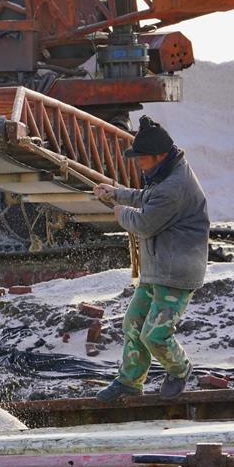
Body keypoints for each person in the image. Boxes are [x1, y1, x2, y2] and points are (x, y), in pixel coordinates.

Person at [93, 115, 210, 402]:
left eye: (141, 159)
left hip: (176, 273)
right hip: (158, 268)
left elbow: (144, 223)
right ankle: (130, 382)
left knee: (155, 335)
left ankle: (180, 369)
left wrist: (120, 212)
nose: (138, 163)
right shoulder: (167, 172)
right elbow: (148, 197)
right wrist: (116, 193)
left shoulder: (174, 186)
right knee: (133, 323)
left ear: (159, 156)